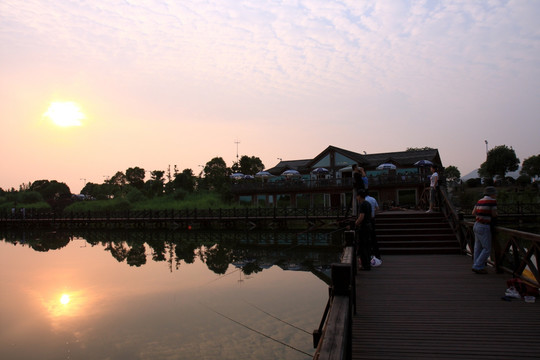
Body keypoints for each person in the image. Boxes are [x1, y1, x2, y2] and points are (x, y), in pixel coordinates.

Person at [471, 186, 498, 274]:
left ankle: (478, 265)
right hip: (484, 225)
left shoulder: (479, 201)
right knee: (487, 249)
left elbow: (473, 213)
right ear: (492, 194)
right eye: (495, 193)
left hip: (476, 224)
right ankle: (477, 266)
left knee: (477, 247)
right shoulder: (492, 201)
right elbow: (494, 214)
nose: (495, 195)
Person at [354, 190, 372, 271]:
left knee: (362, 246)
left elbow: (361, 216)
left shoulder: (362, 204)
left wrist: (355, 224)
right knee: (367, 246)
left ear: (359, 196)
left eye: (357, 196)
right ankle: (368, 264)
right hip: (369, 226)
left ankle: (365, 265)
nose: (356, 198)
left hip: (364, 227)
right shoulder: (368, 203)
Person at [365, 191, 381, 265]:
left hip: (367, 221)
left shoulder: (364, 201)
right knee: (373, 238)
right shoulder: (373, 199)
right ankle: (377, 255)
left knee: (367, 238)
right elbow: (377, 208)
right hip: (372, 219)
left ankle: (368, 255)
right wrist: (373, 213)